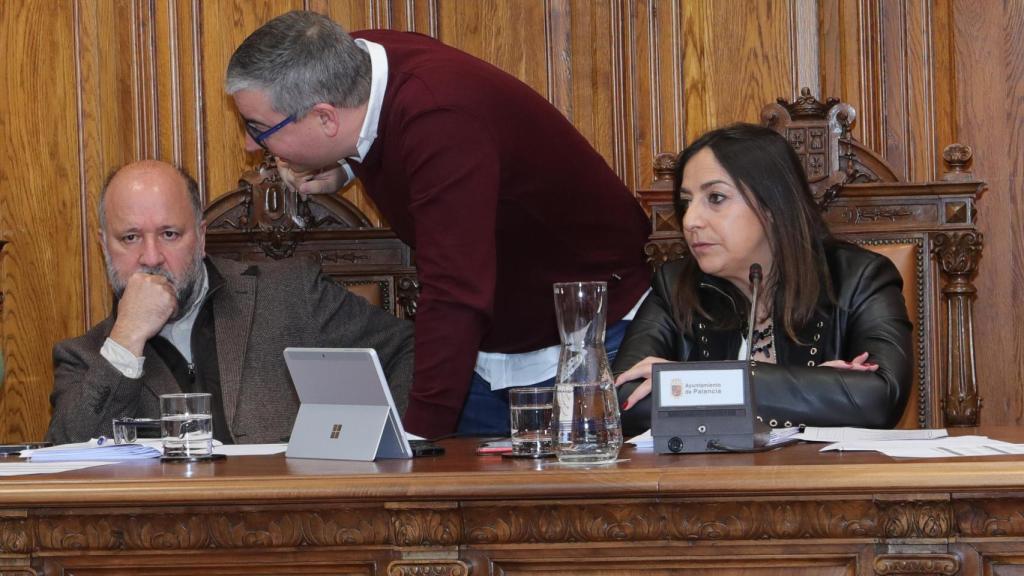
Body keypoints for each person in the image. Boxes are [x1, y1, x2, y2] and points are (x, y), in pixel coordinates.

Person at [225, 11, 652, 437]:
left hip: (584, 339)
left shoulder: (441, 118)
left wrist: (418, 444)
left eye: (258, 127)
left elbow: (455, 290)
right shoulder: (354, 62)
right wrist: (346, 165)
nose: (249, 143)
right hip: (492, 343)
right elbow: (382, 130)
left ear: (325, 118)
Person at [46, 160, 414, 445]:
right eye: (129, 237)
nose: (152, 257)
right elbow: (69, 458)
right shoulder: (84, 358)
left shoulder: (292, 293)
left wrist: (381, 448)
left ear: (201, 237)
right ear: (103, 245)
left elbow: (407, 348)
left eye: (169, 234)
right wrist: (126, 339)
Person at [612, 123, 913, 437]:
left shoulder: (859, 278)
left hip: (825, 481)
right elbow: (622, 401)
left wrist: (690, 383)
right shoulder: (675, 286)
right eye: (687, 203)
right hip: (703, 482)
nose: (690, 221)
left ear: (773, 204)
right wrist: (811, 391)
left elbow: (880, 398)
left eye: (715, 198)